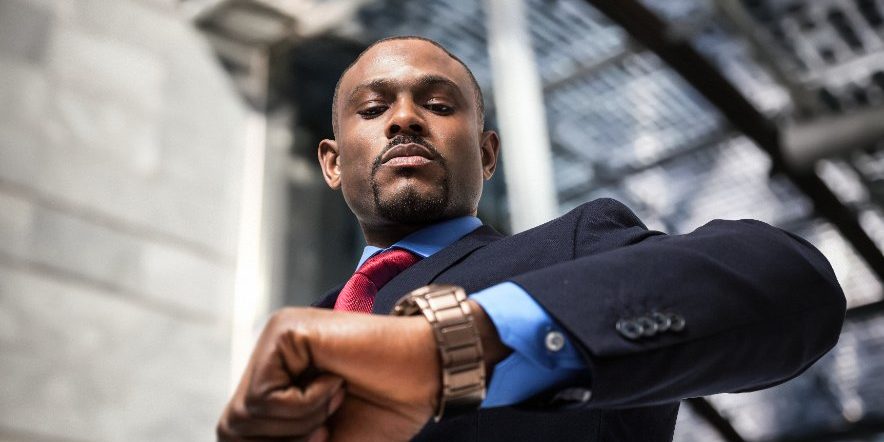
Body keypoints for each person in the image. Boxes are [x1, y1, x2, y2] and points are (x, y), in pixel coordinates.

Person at [216, 36, 846, 442]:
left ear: (488, 155)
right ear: (331, 162)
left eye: (438, 104)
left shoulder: (571, 251)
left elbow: (791, 283)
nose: (404, 117)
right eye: (373, 109)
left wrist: (450, 351)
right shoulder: (303, 338)